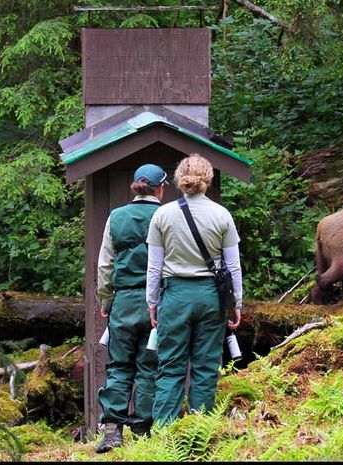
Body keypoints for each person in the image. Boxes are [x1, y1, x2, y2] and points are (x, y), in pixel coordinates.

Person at [146, 153, 243, 426]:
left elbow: (154, 268)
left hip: (175, 296)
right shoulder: (222, 215)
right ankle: (199, 434)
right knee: (205, 367)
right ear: (208, 179)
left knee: (171, 368)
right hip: (211, 297)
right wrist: (236, 304)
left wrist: (152, 302)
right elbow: (233, 267)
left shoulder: (162, 214)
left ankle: (164, 437)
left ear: (179, 179)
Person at [94, 164, 168, 453]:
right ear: (160, 188)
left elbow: (105, 265)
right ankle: (144, 429)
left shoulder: (116, 217)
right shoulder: (165, 216)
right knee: (149, 366)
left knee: (119, 365)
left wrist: (105, 301)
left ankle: (112, 431)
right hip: (158, 303)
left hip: (123, 302)